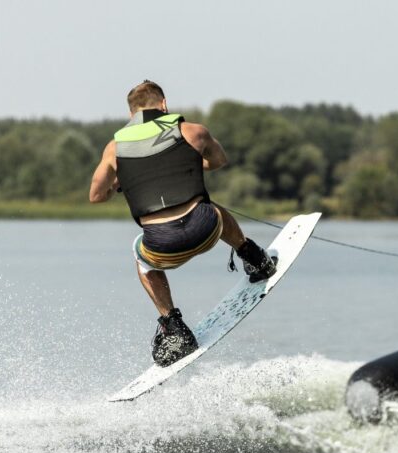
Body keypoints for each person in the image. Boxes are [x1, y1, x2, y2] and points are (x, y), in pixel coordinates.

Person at [89, 80, 276, 367]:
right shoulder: (193, 131)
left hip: (162, 248)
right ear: (163, 105)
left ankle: (174, 327)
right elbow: (218, 161)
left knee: (140, 258)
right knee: (211, 208)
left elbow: (96, 196)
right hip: (206, 230)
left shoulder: (114, 149)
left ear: (131, 115)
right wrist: (183, 161)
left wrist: (121, 183)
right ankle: (254, 257)